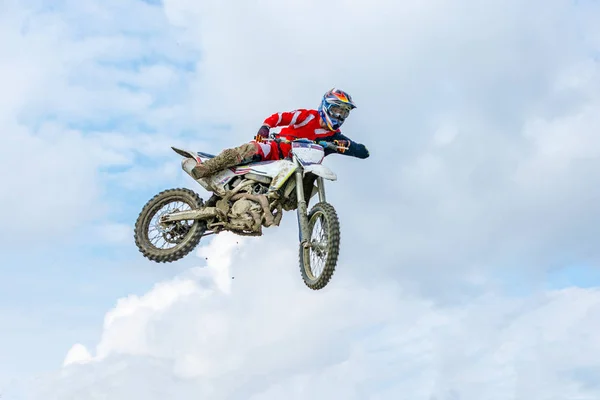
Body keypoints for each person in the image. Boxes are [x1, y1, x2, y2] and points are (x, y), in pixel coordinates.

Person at [191, 88, 370, 183]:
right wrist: (265, 127)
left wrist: (359, 150)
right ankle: (207, 167)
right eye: (336, 110)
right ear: (326, 107)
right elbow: (280, 117)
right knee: (251, 149)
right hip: (276, 149)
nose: (339, 116)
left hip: (295, 168)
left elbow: (358, 150)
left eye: (344, 113)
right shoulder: (307, 116)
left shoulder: (335, 137)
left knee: (309, 182)